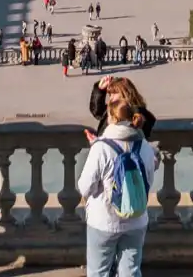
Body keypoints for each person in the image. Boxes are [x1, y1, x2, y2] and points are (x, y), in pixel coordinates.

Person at [76, 101, 158, 277]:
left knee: (99, 271)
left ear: (111, 118)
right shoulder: (145, 146)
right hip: (136, 219)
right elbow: (148, 181)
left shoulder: (101, 148)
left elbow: (84, 187)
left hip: (104, 220)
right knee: (131, 271)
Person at [87, 75, 159, 141]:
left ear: (125, 93)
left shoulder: (136, 113)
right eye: (110, 94)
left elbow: (125, 139)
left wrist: (99, 143)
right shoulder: (114, 108)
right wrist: (100, 90)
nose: (111, 98)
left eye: (115, 93)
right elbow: (97, 111)